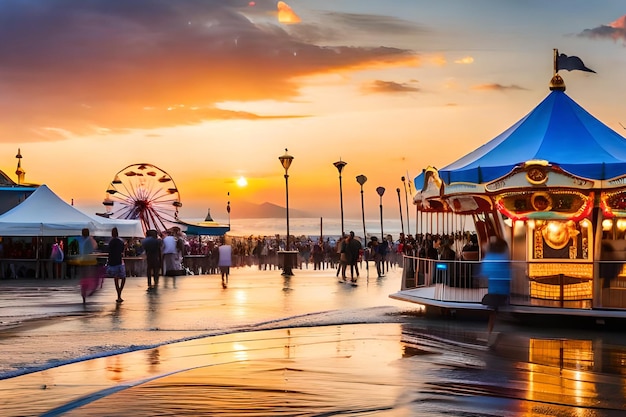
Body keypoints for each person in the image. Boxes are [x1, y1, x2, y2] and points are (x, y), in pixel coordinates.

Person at [480, 236, 511, 336]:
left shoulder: (489, 259)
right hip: (503, 291)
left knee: (493, 313)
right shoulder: (503, 258)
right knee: (495, 311)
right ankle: (495, 332)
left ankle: (490, 333)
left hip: (494, 291)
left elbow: (485, 272)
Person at [77, 228, 99, 304]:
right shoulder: (89, 240)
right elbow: (95, 247)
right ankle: (87, 293)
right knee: (89, 278)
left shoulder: (83, 240)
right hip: (88, 262)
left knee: (84, 279)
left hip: (84, 262)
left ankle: (84, 296)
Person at [106, 227, 127, 303]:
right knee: (123, 277)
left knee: (116, 278)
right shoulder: (120, 242)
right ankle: (120, 292)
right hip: (119, 261)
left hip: (112, 262)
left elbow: (109, 251)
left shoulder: (111, 242)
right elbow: (122, 251)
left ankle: (118, 294)